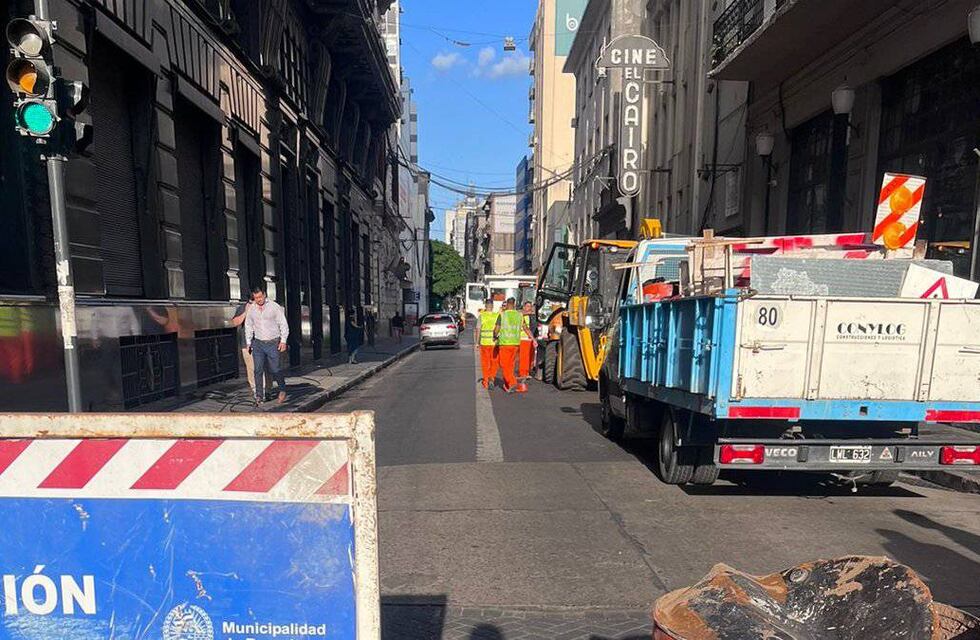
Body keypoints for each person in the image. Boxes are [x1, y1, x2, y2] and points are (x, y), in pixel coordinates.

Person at [244, 286, 289, 405]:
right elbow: (249, 325)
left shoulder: (274, 307)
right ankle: (259, 396)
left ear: (264, 295)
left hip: (273, 342)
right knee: (257, 370)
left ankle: (282, 389)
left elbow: (283, 324)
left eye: (260, 297)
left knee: (275, 368)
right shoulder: (252, 309)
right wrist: (248, 342)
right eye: (256, 298)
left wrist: (283, 341)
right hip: (258, 343)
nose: (258, 300)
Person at [494, 298, 527, 393]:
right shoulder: (519, 315)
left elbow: (497, 328)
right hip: (515, 344)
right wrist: (532, 338)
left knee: (504, 365)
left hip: (505, 343)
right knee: (510, 365)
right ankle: (508, 384)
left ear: (507, 304)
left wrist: (494, 336)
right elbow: (525, 327)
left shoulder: (502, 315)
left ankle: (512, 383)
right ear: (514, 304)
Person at [230, 293, 256, 397]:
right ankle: (257, 392)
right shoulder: (243, 308)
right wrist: (246, 312)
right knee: (252, 369)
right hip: (247, 344)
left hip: (264, 343)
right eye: (253, 301)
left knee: (264, 368)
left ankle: (266, 390)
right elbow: (235, 322)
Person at [476, 299, 499, 389]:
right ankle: (492, 378)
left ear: (485, 306)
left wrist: (477, 342)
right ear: (492, 306)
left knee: (485, 363)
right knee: (494, 362)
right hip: (494, 343)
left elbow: (478, 329)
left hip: (484, 343)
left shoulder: (482, 316)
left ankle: (485, 381)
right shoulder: (497, 315)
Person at [518, 302, 538, 381]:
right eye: (527, 306)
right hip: (524, 338)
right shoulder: (521, 315)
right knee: (524, 357)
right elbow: (526, 328)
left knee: (530, 357)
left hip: (530, 338)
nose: (529, 308)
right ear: (523, 307)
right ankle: (523, 373)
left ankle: (527, 372)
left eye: (530, 306)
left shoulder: (532, 316)